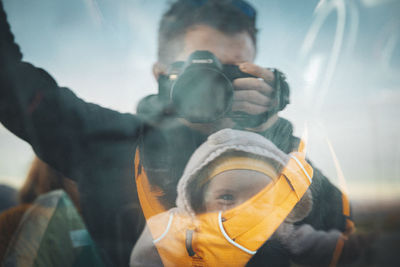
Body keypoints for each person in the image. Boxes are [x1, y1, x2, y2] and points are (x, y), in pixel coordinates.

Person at [0, 0, 352, 266]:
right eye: (202, 67)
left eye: (233, 72)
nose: (216, 85)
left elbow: (343, 233)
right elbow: (10, 85)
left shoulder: (271, 151)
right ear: (160, 74)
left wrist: (268, 136)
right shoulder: (111, 143)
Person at [131, 129, 359, 267]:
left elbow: (311, 244)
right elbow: (146, 258)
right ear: (197, 200)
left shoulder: (275, 229)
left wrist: (347, 247)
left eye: (261, 198)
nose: (246, 208)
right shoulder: (179, 229)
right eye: (227, 196)